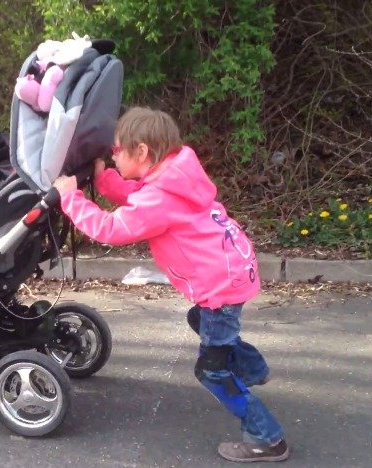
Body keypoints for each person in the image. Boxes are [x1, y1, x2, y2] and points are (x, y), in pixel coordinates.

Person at [52, 107, 289, 463]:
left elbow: (111, 229)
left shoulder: (160, 196)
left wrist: (71, 198)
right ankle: (253, 368)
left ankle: (266, 439)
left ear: (142, 152)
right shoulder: (177, 172)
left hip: (220, 288)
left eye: (117, 151)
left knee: (211, 371)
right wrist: (105, 183)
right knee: (202, 322)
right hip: (233, 272)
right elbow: (141, 195)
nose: (113, 156)